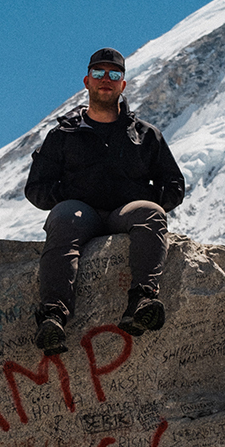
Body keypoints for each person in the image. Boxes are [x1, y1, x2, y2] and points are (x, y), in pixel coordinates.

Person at [25, 47, 186, 354]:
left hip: (125, 213)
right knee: (63, 217)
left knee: (151, 213)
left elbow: (174, 185)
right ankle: (53, 317)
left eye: (114, 75)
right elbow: (37, 188)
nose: (106, 80)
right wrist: (71, 196)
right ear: (87, 81)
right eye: (99, 73)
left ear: (123, 85)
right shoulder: (63, 135)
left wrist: (142, 197)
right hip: (80, 213)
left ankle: (142, 302)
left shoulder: (145, 135)